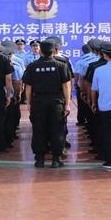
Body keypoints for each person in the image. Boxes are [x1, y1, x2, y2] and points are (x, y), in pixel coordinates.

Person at [23, 40, 72, 168]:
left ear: (40, 51)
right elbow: (66, 86)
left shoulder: (33, 66)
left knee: (39, 129)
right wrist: (67, 104)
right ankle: (56, 158)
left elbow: (28, 86)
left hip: (39, 102)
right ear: (53, 50)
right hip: (56, 102)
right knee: (57, 130)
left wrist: (28, 103)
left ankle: (39, 159)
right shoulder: (61, 65)